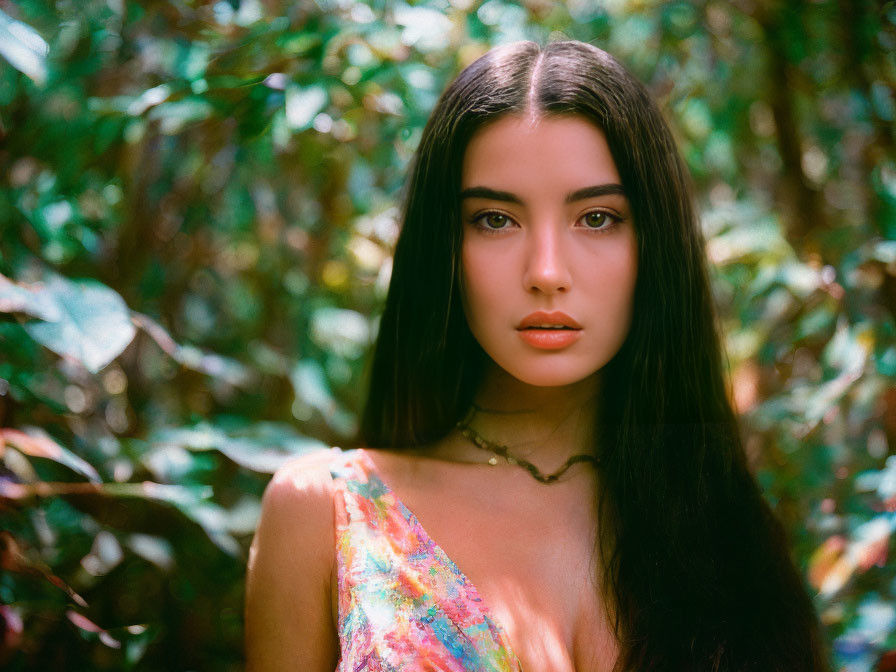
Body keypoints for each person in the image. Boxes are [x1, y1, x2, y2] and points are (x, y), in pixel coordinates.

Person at [244, 40, 831, 672]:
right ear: (445, 247)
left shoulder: (726, 534)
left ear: (654, 245)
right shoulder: (326, 514)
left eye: (598, 218)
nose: (546, 271)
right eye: (496, 220)